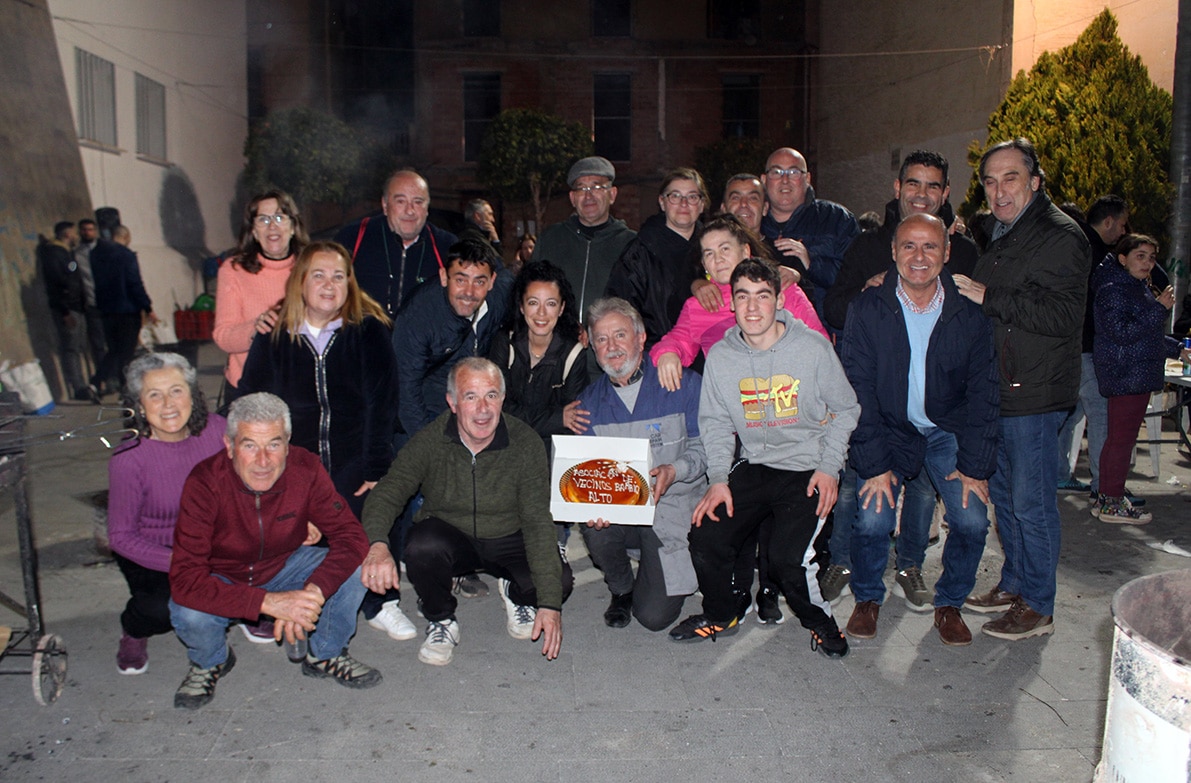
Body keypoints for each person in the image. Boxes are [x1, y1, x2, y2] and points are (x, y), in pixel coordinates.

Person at [819, 149, 980, 607]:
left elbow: (982, 328)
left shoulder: (964, 251)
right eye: (914, 184)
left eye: (933, 186)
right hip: (877, 400)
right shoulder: (869, 244)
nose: (923, 195)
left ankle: (909, 565)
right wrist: (866, 292)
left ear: (946, 193)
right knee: (858, 485)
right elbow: (833, 306)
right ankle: (843, 562)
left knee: (924, 490)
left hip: (938, 407)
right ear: (898, 188)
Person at [649, 214, 826, 624]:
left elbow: (819, 345)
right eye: (708, 254)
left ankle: (771, 589)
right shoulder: (701, 303)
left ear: (746, 251)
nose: (717, 259)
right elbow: (678, 337)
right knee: (737, 516)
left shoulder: (781, 293)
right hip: (734, 427)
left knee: (779, 518)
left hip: (787, 422)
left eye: (725, 249)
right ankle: (739, 594)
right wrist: (669, 353)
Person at [679, 258, 858, 656]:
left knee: (786, 561)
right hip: (755, 463)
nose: (753, 307)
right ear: (732, 304)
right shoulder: (723, 358)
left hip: (807, 466)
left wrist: (830, 468)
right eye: (743, 297)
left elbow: (846, 409)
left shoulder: (812, 348)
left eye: (763, 296)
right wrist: (718, 480)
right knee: (706, 534)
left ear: (779, 301)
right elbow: (715, 423)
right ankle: (724, 613)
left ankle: (821, 623)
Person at [238, 241, 412, 641]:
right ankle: (270, 602)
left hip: (353, 460)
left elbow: (382, 402)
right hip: (292, 466)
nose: (329, 285)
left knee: (371, 524)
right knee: (282, 531)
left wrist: (375, 467)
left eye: (338, 276)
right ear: (300, 281)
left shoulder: (368, 330)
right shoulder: (274, 334)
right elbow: (250, 402)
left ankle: (379, 603)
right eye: (319, 275)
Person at [953, 138, 1091, 641]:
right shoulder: (1007, 233)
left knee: (1032, 502)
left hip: (1034, 392)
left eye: (1011, 178)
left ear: (1035, 182)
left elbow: (1062, 315)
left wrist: (990, 295)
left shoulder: (1059, 236)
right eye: (990, 181)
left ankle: (1038, 604)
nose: (998, 190)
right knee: (1008, 497)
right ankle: (1015, 582)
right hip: (1003, 390)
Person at [839, 214, 999, 646]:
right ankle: (868, 597)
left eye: (930, 246)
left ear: (947, 253)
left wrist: (975, 466)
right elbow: (857, 391)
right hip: (889, 428)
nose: (919, 256)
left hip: (946, 430)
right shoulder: (867, 309)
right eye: (909, 246)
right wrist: (873, 465)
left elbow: (985, 393)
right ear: (893, 251)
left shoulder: (970, 315)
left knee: (970, 518)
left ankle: (949, 603)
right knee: (873, 519)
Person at [169, 393, 380, 710]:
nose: (263, 460)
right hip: (224, 575)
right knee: (187, 610)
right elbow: (185, 579)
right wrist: (271, 603)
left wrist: (311, 596)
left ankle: (325, 653)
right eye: (250, 445)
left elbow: (350, 536)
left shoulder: (305, 467)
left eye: (274, 444)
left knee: (358, 565)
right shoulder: (204, 482)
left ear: (289, 442)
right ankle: (211, 661)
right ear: (229, 446)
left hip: (285, 565)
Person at [359, 358, 573, 666]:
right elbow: (390, 491)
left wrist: (550, 605)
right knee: (420, 545)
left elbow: (538, 521)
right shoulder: (431, 440)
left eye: (491, 395)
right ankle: (441, 619)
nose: (483, 408)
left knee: (558, 581)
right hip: (452, 536)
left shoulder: (524, 442)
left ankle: (515, 592)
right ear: (453, 402)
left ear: (502, 399)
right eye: (470, 396)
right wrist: (377, 544)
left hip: (509, 535)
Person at [391, 237, 513, 599]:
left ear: (492, 281)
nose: (469, 290)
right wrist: (427, 448)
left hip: (469, 401)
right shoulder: (419, 318)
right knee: (422, 486)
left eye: (479, 281)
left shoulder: (501, 295)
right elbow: (404, 388)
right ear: (444, 276)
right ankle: (406, 560)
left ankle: (460, 562)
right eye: (461, 278)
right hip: (421, 406)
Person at [572, 298, 704, 631]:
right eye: (601, 339)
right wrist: (588, 503)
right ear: (592, 345)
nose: (611, 347)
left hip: (673, 511)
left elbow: (712, 448)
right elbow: (585, 478)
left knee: (654, 617)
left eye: (620, 335)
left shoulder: (683, 383)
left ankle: (659, 563)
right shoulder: (588, 405)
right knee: (594, 529)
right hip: (622, 512)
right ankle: (621, 588)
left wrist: (676, 470)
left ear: (641, 337)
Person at [108, 353, 227, 674]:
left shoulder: (218, 432)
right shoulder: (129, 458)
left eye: (176, 390)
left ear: (191, 393)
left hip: (215, 543)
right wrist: (180, 561)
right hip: (156, 553)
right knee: (161, 609)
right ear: (139, 405)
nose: (168, 404)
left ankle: (245, 613)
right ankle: (134, 629)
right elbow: (120, 537)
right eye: (154, 395)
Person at [1091, 234, 1187, 523]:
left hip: (1134, 371)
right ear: (1123, 258)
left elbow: (1147, 335)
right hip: (1126, 373)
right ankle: (1111, 501)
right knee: (1121, 440)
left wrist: (1177, 349)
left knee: (1120, 439)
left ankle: (1108, 498)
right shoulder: (1115, 288)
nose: (1147, 263)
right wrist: (1159, 308)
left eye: (1152, 257)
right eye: (1140, 256)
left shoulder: (1132, 286)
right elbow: (1122, 332)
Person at [1057, 195, 1132, 497]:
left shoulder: (1076, 244)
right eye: (1123, 225)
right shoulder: (1096, 253)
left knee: (1069, 413)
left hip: (1069, 343)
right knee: (1100, 414)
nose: (1124, 233)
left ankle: (1059, 474)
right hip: (1085, 345)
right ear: (1109, 221)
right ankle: (1106, 487)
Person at [213, 190, 308, 404]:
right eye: (263, 219)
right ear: (254, 231)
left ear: (293, 227)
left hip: (300, 388)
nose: (272, 226)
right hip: (247, 389)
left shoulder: (311, 268)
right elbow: (223, 336)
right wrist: (255, 328)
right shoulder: (233, 269)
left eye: (279, 217)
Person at [487, 260, 591, 453]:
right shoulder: (504, 344)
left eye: (551, 304)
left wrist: (560, 420)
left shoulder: (573, 355)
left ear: (561, 308)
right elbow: (495, 409)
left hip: (548, 453)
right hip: (503, 447)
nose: (541, 313)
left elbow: (573, 421)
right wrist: (556, 418)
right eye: (533, 302)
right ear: (521, 306)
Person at [758, 147, 859, 330]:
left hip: (825, 337)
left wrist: (811, 263)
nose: (785, 180)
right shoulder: (753, 225)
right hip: (762, 340)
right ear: (764, 180)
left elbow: (855, 279)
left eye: (794, 172)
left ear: (808, 179)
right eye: (777, 172)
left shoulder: (836, 219)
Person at [335, 170, 459, 319]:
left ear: (427, 208)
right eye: (401, 201)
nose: (410, 210)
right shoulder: (353, 238)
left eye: (418, 202)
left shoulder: (447, 246)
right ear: (385, 205)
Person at [605, 167, 707, 348]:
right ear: (662, 202)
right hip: (655, 358)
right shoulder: (640, 251)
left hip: (707, 357)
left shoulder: (714, 247)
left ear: (701, 204)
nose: (684, 203)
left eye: (692, 197)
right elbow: (620, 310)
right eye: (675, 196)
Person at [532, 156, 636, 318]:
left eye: (597, 187)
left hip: (608, 341)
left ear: (612, 194)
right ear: (572, 198)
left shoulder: (631, 244)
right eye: (582, 189)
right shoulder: (550, 240)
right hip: (559, 340)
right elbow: (530, 291)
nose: (589, 196)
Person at [91, 226, 156, 395]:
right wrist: (147, 306)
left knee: (113, 350)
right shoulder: (126, 256)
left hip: (106, 310)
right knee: (126, 352)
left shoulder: (96, 255)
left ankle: (97, 381)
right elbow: (134, 282)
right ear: (126, 236)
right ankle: (125, 389)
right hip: (127, 309)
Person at [39, 220, 91, 401]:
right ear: (68, 234)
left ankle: (84, 384)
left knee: (78, 346)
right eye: (74, 233)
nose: (77, 236)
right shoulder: (54, 254)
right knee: (71, 348)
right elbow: (58, 283)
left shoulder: (67, 254)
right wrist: (65, 311)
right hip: (68, 307)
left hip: (77, 305)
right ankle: (78, 387)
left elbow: (72, 273)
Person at [74, 218, 107, 381]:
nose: (87, 232)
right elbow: (73, 274)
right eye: (84, 230)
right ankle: (105, 379)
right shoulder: (76, 254)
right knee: (97, 344)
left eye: (90, 229)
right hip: (92, 304)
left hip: (110, 303)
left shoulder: (105, 250)